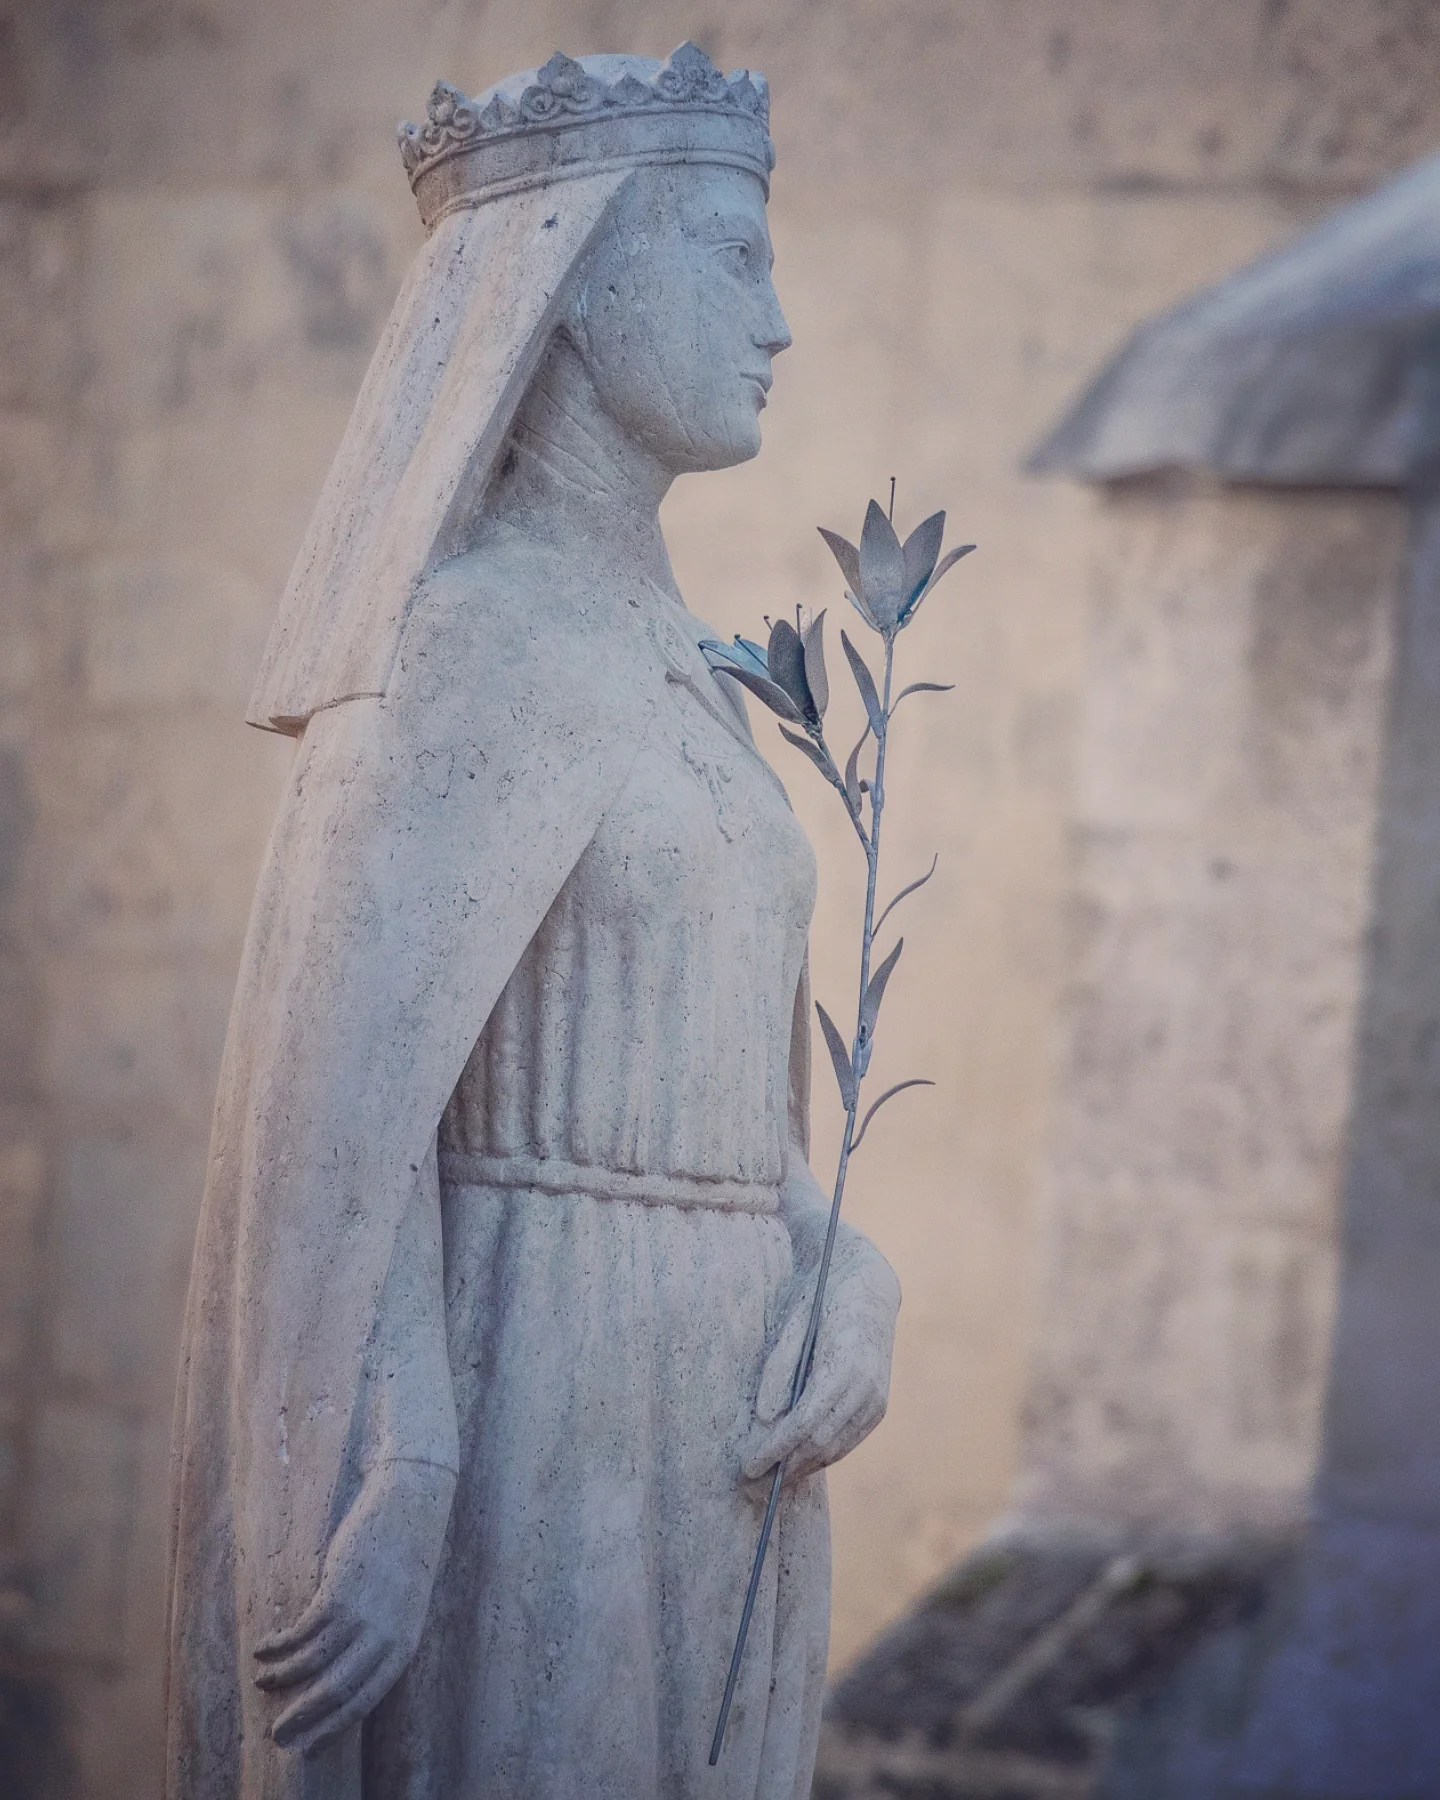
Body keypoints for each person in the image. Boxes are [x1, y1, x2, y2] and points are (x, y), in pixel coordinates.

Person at [166, 46, 900, 1800]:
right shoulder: (462, 650)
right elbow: (351, 1125)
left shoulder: (692, 668)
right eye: (732, 254)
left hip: (716, 1429)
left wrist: (845, 1268)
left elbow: (720, 1098)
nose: (778, 319)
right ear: (571, 279)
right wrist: (403, 1467)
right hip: (534, 1400)